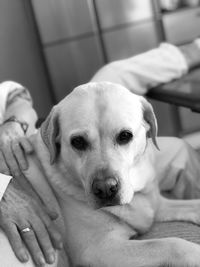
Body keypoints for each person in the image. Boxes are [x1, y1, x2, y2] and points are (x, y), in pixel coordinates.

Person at [1, 39, 200, 266]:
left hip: (20, 134)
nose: (104, 183)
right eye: (79, 143)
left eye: (123, 137)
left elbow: (14, 94)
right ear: (55, 141)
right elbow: (95, 253)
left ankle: (190, 51)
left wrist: (13, 121)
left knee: (112, 76)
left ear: (149, 127)